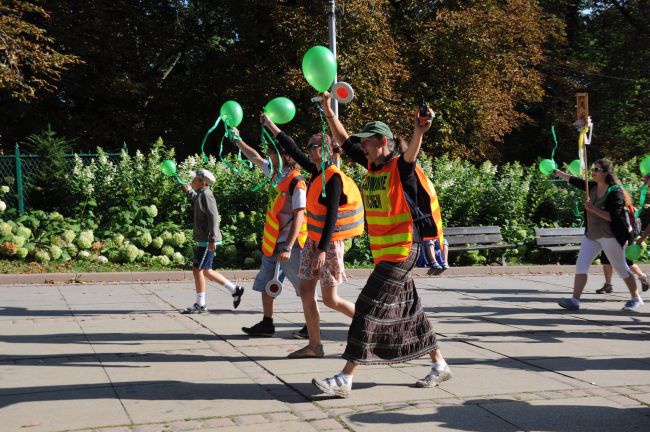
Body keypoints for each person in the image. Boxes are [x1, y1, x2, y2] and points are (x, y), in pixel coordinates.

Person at [310, 93, 452, 398]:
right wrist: (327, 110)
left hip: (402, 252)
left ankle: (344, 379)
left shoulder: (399, 167)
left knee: (366, 308)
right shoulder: (372, 166)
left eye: (368, 143)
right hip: (387, 254)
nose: (362, 147)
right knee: (410, 312)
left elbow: (412, 156)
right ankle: (440, 364)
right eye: (363, 144)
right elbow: (345, 139)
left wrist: (419, 131)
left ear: (383, 143)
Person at [261, 114, 364, 359]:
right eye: (307, 146)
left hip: (326, 244)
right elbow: (292, 149)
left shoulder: (333, 177)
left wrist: (320, 250)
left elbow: (331, 217)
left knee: (330, 299)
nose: (307, 150)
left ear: (325, 150)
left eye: (312, 146)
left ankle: (371, 324)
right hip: (313, 242)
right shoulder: (316, 172)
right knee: (307, 292)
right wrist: (270, 126)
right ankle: (314, 345)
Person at [227, 127, 310, 338]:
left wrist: (289, 247)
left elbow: (300, 216)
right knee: (266, 284)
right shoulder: (275, 174)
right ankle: (267, 323)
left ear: (285, 156)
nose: (269, 155)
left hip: (292, 245)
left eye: (273, 152)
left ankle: (312, 325)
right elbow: (254, 157)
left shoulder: (297, 182)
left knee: (304, 287)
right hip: (273, 243)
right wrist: (237, 140)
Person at [553, 160, 643, 311]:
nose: (593, 171)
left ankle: (636, 298)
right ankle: (574, 301)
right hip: (592, 235)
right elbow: (575, 181)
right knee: (581, 265)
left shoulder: (615, 192)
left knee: (621, 268)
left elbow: (613, 217)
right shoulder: (592, 186)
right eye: (593, 168)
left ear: (606, 173)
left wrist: (592, 209)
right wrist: (559, 173)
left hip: (610, 236)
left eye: (597, 169)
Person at [181, 169, 245, 313]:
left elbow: (214, 217)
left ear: (202, 182)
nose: (192, 181)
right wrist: (189, 192)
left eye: (194, 179)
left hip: (208, 240)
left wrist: (213, 239)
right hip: (205, 239)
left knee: (198, 270)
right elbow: (198, 201)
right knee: (206, 271)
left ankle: (201, 304)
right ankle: (235, 290)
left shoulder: (207, 195)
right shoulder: (201, 194)